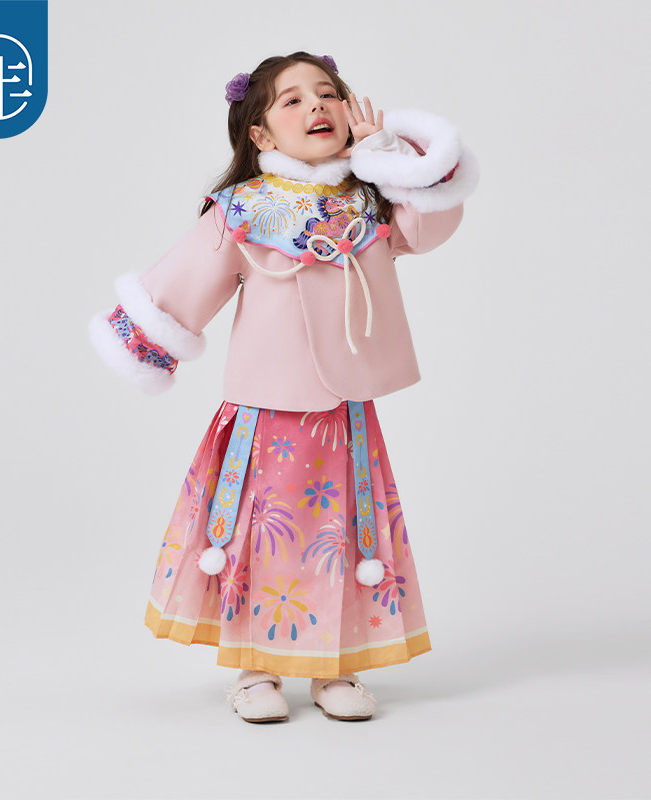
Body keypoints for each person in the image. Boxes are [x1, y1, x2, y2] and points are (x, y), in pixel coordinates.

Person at [89, 51, 478, 723]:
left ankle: (334, 666)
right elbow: (184, 282)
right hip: (263, 407)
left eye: (327, 93)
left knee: (343, 532)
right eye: (292, 100)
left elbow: (433, 224)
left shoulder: (371, 203)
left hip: (343, 409)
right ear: (259, 132)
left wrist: (389, 155)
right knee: (257, 534)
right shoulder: (243, 210)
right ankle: (256, 668)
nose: (316, 106)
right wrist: (145, 345)